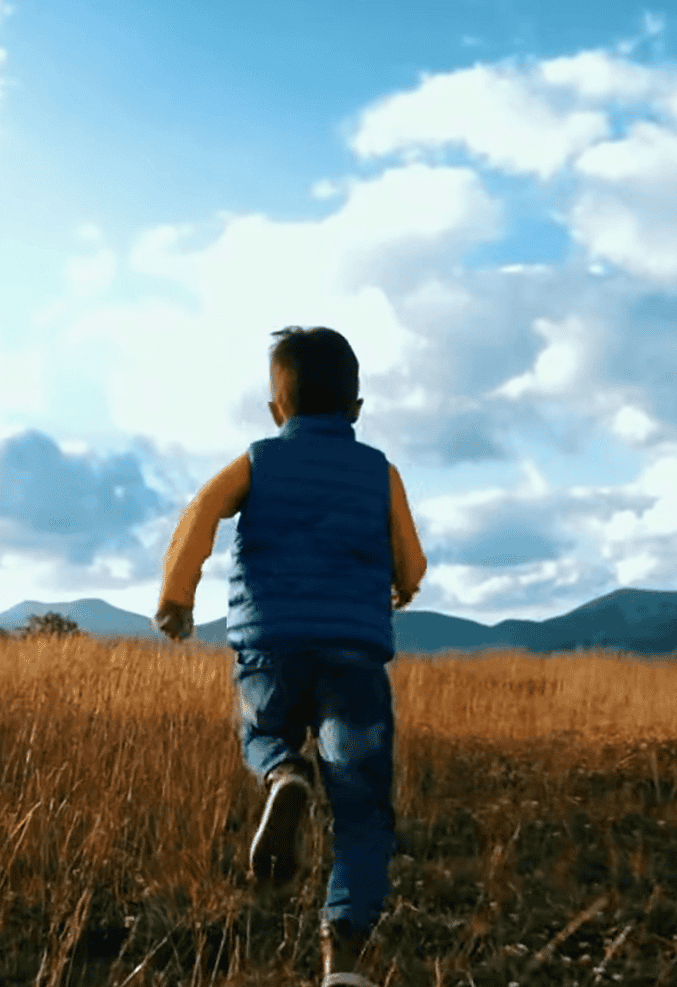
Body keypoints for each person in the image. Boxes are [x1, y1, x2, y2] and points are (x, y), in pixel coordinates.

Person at [154, 326, 427, 987]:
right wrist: (404, 585)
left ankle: (282, 775)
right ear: (357, 409)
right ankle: (345, 956)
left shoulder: (256, 459)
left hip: (269, 646)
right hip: (354, 659)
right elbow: (409, 554)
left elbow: (201, 513)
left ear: (277, 409)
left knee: (265, 731)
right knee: (362, 803)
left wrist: (177, 595)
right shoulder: (379, 469)